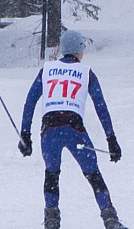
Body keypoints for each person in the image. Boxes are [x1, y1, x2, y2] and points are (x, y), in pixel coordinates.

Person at [19, 30, 128, 229]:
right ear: (79, 51)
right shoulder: (86, 72)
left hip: (49, 130)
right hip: (73, 128)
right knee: (93, 175)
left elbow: (30, 101)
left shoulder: (47, 69)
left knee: (52, 174)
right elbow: (101, 106)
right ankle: (110, 219)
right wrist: (111, 138)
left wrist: (24, 134)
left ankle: (52, 220)